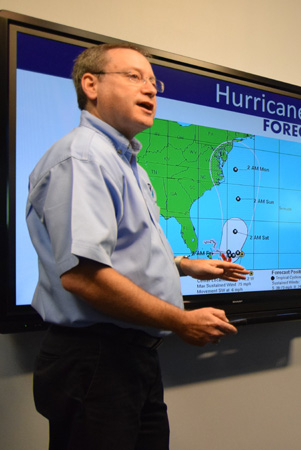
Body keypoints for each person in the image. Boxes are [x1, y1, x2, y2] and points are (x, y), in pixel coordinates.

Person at [26, 43, 250, 450]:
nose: (150, 90)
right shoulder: (85, 158)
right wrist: (182, 320)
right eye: (133, 77)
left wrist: (184, 265)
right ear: (90, 85)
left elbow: (120, 252)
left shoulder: (128, 164)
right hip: (96, 360)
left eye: (153, 81)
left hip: (130, 359)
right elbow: (83, 276)